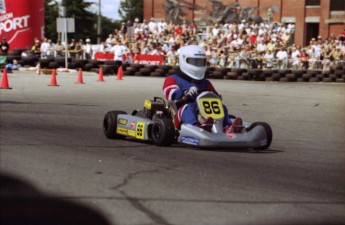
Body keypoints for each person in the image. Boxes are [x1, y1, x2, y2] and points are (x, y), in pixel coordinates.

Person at [162, 45, 242, 133]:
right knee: (186, 108)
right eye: (195, 61)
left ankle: (227, 128)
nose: (198, 65)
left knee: (222, 107)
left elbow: (215, 97)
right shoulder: (173, 79)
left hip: (203, 114)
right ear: (183, 60)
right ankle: (196, 127)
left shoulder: (205, 82)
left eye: (200, 62)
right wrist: (184, 93)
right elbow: (171, 93)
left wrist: (217, 97)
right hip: (178, 117)